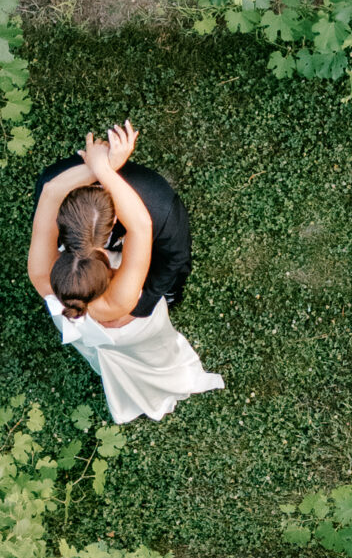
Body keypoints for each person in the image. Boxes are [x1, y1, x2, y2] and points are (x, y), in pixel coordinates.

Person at [26, 123, 223, 427]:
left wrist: (100, 167)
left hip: (82, 325)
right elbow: (141, 226)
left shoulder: (42, 277)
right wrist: (106, 169)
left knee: (102, 353)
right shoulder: (122, 300)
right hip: (133, 331)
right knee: (154, 355)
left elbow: (52, 192)